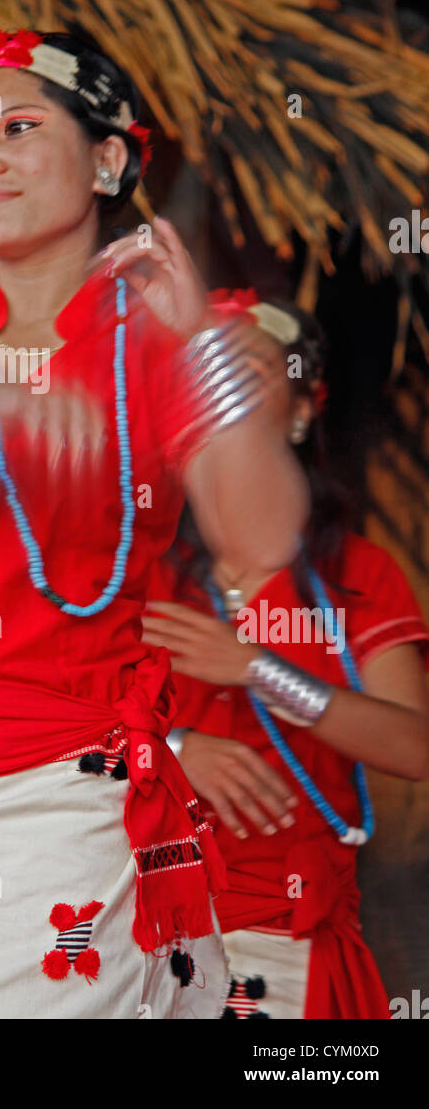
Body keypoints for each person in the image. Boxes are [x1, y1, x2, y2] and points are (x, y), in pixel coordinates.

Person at [0, 27, 309, 1019]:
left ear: (109, 157)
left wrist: (199, 344)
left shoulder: (160, 341)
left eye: (18, 127)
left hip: (64, 795)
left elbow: (261, 534)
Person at [142, 292, 429, 1019]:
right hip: (142, 941)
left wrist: (258, 670)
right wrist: (172, 747)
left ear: (302, 414)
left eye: (246, 380)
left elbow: (416, 746)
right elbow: (56, 733)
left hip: (283, 948)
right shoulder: (138, 575)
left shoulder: (357, 577)